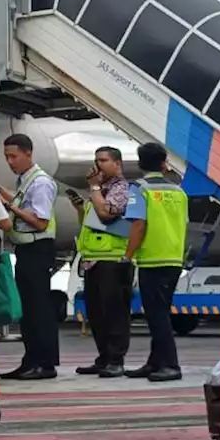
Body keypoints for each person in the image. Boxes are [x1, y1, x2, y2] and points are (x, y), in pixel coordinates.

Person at [123, 142, 189, 381]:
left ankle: (171, 365)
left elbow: (138, 225)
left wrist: (127, 255)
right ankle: (155, 362)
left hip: (152, 259)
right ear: (164, 163)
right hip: (173, 258)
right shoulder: (179, 192)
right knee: (160, 312)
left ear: (141, 164)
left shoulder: (139, 189)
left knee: (156, 315)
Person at [0, 134, 59, 380]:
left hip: (37, 250)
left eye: (14, 156)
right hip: (28, 251)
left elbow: (40, 221)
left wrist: (10, 208)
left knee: (38, 309)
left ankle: (43, 363)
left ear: (28, 153)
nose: (10, 162)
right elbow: (24, 202)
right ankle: (31, 360)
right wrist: (0, 189)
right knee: (30, 309)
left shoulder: (41, 182)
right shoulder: (27, 180)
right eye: (6, 157)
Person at [74, 147, 134, 377]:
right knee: (96, 313)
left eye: (103, 160)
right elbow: (91, 221)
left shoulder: (120, 188)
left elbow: (108, 213)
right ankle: (104, 357)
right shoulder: (99, 190)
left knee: (114, 313)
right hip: (93, 260)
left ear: (117, 164)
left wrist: (95, 188)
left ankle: (116, 359)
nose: (98, 165)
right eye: (96, 160)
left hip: (113, 259)